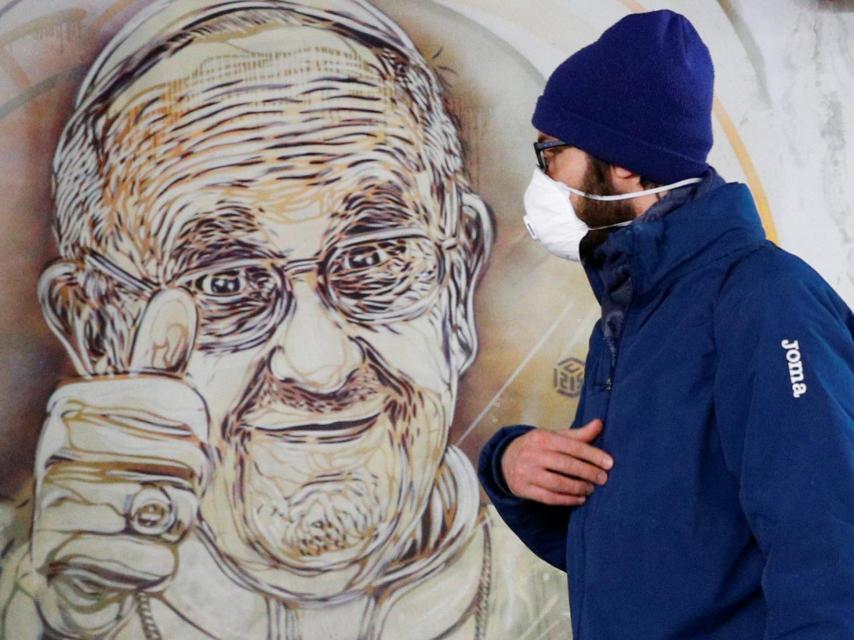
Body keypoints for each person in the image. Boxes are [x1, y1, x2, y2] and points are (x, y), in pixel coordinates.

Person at [0, 1, 570, 638]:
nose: (321, 366)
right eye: (227, 282)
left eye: (375, 256)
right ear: (98, 331)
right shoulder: (35, 602)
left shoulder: (577, 594)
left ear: (458, 276)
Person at [478, 9, 854, 640]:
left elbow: (832, 554)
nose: (539, 177)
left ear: (625, 165)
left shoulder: (763, 300)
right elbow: (647, 561)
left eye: (552, 153)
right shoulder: (636, 311)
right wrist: (510, 467)